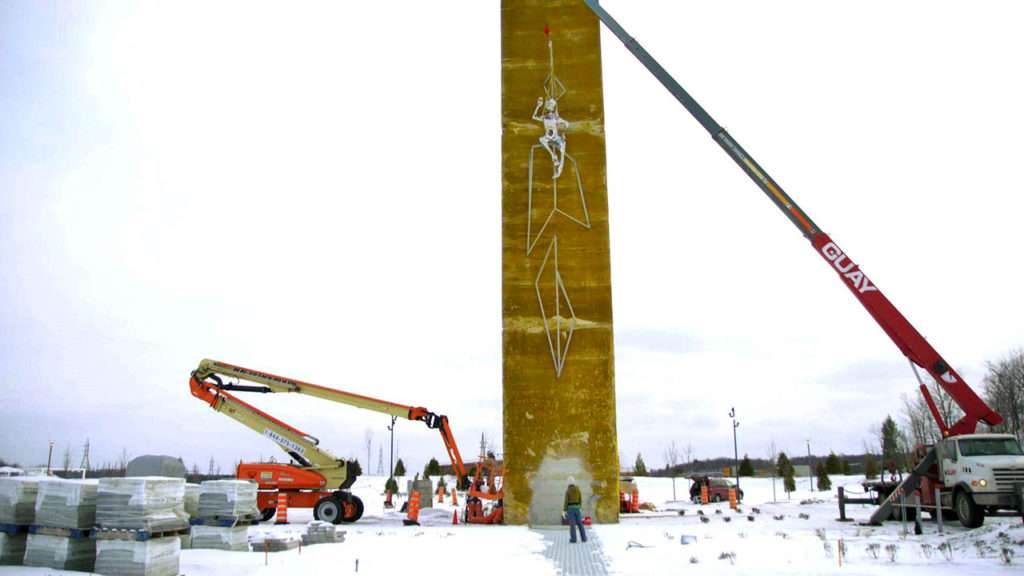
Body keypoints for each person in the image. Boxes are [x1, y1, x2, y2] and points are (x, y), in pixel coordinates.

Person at [563, 476, 587, 543]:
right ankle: (584, 538)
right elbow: (580, 499)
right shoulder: (578, 489)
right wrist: (579, 507)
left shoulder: (568, 490)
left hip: (570, 509)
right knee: (580, 523)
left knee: (572, 525)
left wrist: (564, 510)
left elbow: (566, 502)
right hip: (577, 508)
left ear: (568, 483)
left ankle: (573, 539)